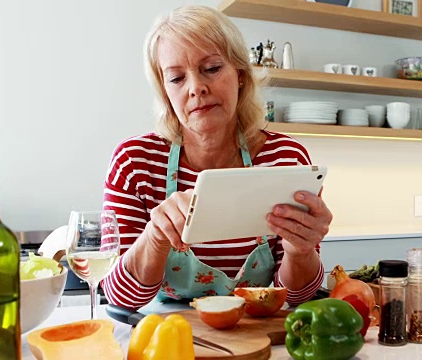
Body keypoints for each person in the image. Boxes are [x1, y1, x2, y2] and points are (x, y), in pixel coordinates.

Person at [101, 5, 333, 310]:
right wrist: (155, 238)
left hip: (256, 337)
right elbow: (120, 298)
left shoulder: (285, 159)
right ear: (164, 92)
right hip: (169, 340)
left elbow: (296, 297)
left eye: (211, 69)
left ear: (239, 74)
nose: (196, 88)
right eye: (176, 78)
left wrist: (300, 252)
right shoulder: (134, 163)